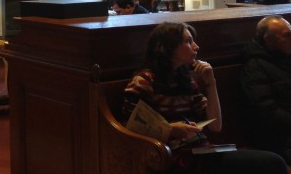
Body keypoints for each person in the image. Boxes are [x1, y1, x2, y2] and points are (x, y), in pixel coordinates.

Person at [122, 22, 286, 173]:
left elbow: (215, 125)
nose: (196, 47)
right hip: (171, 157)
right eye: (188, 41)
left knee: (272, 162)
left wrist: (211, 82)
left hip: (199, 152)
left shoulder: (184, 79)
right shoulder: (145, 81)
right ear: (167, 48)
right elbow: (130, 128)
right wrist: (171, 129)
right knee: (272, 163)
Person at [240, 16, 291, 164]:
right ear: (268, 40)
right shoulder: (254, 66)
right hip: (278, 138)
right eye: (287, 35)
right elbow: (266, 109)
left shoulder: (286, 57)